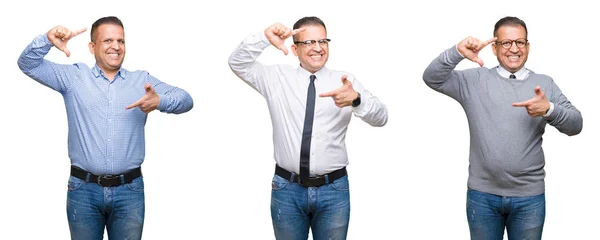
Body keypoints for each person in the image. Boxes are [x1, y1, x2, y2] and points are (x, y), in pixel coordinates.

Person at [17, 16, 193, 240]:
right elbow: (27, 64)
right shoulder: (73, 77)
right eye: (108, 40)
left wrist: (160, 102)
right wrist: (47, 40)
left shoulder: (141, 81)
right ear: (92, 47)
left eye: (121, 41)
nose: (116, 46)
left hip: (129, 192)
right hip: (83, 191)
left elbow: (185, 99)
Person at [422, 16, 582, 240]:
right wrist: (457, 52)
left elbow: (576, 125)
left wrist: (550, 109)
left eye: (520, 42)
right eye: (506, 43)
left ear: (528, 46)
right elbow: (431, 78)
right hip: (482, 196)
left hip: (529, 198)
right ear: (494, 48)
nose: (514, 49)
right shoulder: (474, 80)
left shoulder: (544, 84)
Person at [228, 16, 387, 240]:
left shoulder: (344, 81)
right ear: (295, 49)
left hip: (334, 190)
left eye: (323, 41)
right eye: (309, 42)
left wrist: (357, 100)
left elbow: (381, 117)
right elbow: (237, 63)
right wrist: (263, 38)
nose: (318, 48)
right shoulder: (276, 78)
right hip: (287, 190)